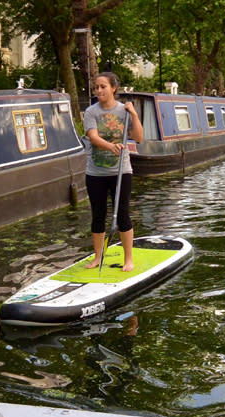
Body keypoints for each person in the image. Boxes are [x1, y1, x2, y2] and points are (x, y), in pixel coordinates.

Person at [83, 72, 143, 272]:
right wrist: (111, 147)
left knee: (123, 214)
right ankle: (98, 257)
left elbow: (139, 137)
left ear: (113, 88)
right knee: (98, 215)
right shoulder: (91, 112)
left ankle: (129, 259)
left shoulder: (124, 111)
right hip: (96, 172)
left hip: (121, 171)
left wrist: (133, 114)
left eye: (103, 87)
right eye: (97, 87)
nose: (99, 90)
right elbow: (92, 137)